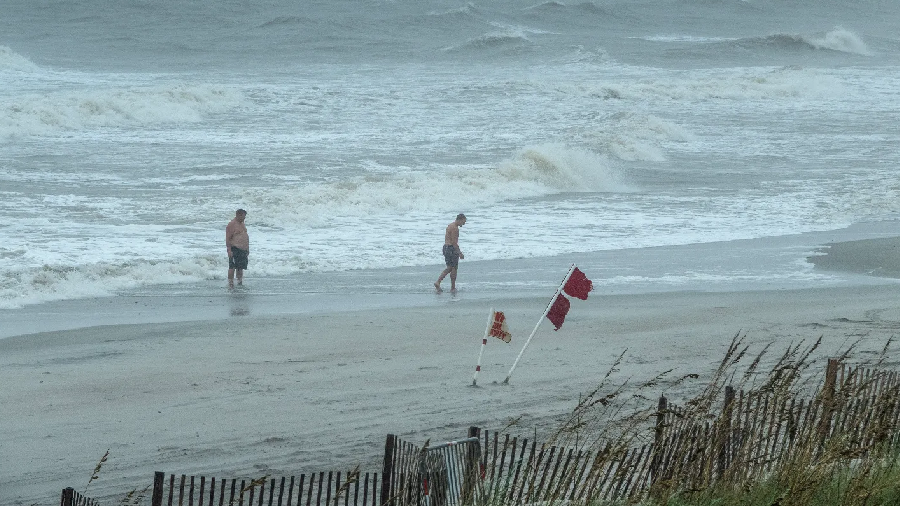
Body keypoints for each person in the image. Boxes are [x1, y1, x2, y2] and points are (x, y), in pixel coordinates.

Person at [434, 213, 466, 293]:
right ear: (460, 220)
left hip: (445, 247)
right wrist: (460, 253)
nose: (464, 224)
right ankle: (440, 283)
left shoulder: (450, 225)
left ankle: (451, 287)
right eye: (463, 222)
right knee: (452, 268)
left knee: (452, 268)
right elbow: (454, 243)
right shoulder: (455, 228)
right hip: (451, 248)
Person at [225, 209, 250, 288]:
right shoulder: (231, 224)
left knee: (240, 267)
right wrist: (229, 250)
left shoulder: (242, 223)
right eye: (243, 216)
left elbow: (244, 236)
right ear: (238, 215)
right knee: (232, 267)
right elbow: (228, 238)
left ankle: (239, 282)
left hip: (243, 250)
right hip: (235, 248)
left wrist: (247, 249)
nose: (244, 218)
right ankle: (230, 284)